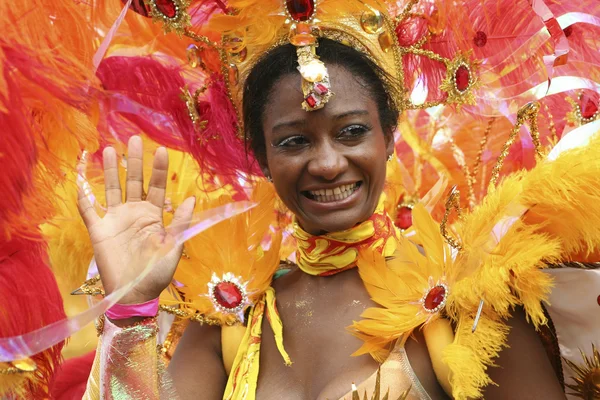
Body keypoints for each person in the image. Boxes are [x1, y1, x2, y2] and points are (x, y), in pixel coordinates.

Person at [78, 37, 572, 399]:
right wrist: (131, 308)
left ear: (388, 137)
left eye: (352, 131)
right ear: (263, 158)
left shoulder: (465, 301)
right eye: (294, 141)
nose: (328, 162)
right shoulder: (234, 316)